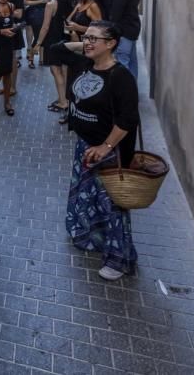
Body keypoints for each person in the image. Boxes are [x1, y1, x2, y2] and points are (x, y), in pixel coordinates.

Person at [49, 22, 140, 281]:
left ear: (111, 43)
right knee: (87, 199)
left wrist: (106, 147)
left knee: (112, 206)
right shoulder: (86, 64)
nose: (87, 42)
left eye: (94, 39)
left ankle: (118, 259)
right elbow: (55, 50)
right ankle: (93, 238)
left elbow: (127, 119)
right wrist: (88, 46)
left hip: (109, 152)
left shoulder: (121, 77)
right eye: (86, 38)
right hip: (85, 146)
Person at [32, 0, 74, 120]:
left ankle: (63, 101)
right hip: (67, 39)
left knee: (56, 71)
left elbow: (45, 26)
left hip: (53, 41)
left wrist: (37, 44)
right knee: (65, 70)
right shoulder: (71, 2)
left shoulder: (51, 4)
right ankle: (66, 98)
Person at [109, 0, 141, 79]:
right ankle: (132, 92)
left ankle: (126, 94)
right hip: (133, 28)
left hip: (124, 31)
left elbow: (115, 17)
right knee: (132, 62)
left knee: (122, 62)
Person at [23, 0, 50, 69]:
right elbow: (25, 1)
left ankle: (42, 59)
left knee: (44, 35)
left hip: (45, 12)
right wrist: (41, 1)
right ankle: (31, 59)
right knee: (38, 35)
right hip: (35, 13)